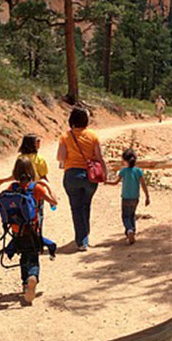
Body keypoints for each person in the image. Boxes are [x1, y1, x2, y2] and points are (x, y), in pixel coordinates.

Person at [3, 156, 57, 305]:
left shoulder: (12, 188)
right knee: (33, 257)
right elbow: (54, 202)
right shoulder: (37, 188)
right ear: (32, 171)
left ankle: (25, 284)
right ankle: (32, 277)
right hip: (33, 230)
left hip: (16, 230)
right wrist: (48, 186)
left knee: (23, 256)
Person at [57, 107, 107, 251]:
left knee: (76, 207)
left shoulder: (65, 137)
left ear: (72, 120)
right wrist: (105, 173)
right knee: (86, 205)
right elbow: (99, 157)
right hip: (90, 176)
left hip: (72, 175)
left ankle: (81, 240)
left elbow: (61, 157)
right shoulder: (93, 136)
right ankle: (84, 237)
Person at [107, 148, 150, 244]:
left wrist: (106, 182)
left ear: (125, 160)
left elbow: (115, 182)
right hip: (135, 198)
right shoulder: (138, 171)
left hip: (125, 198)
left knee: (125, 216)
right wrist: (147, 196)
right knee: (132, 214)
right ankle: (132, 231)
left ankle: (129, 230)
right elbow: (143, 184)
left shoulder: (123, 171)